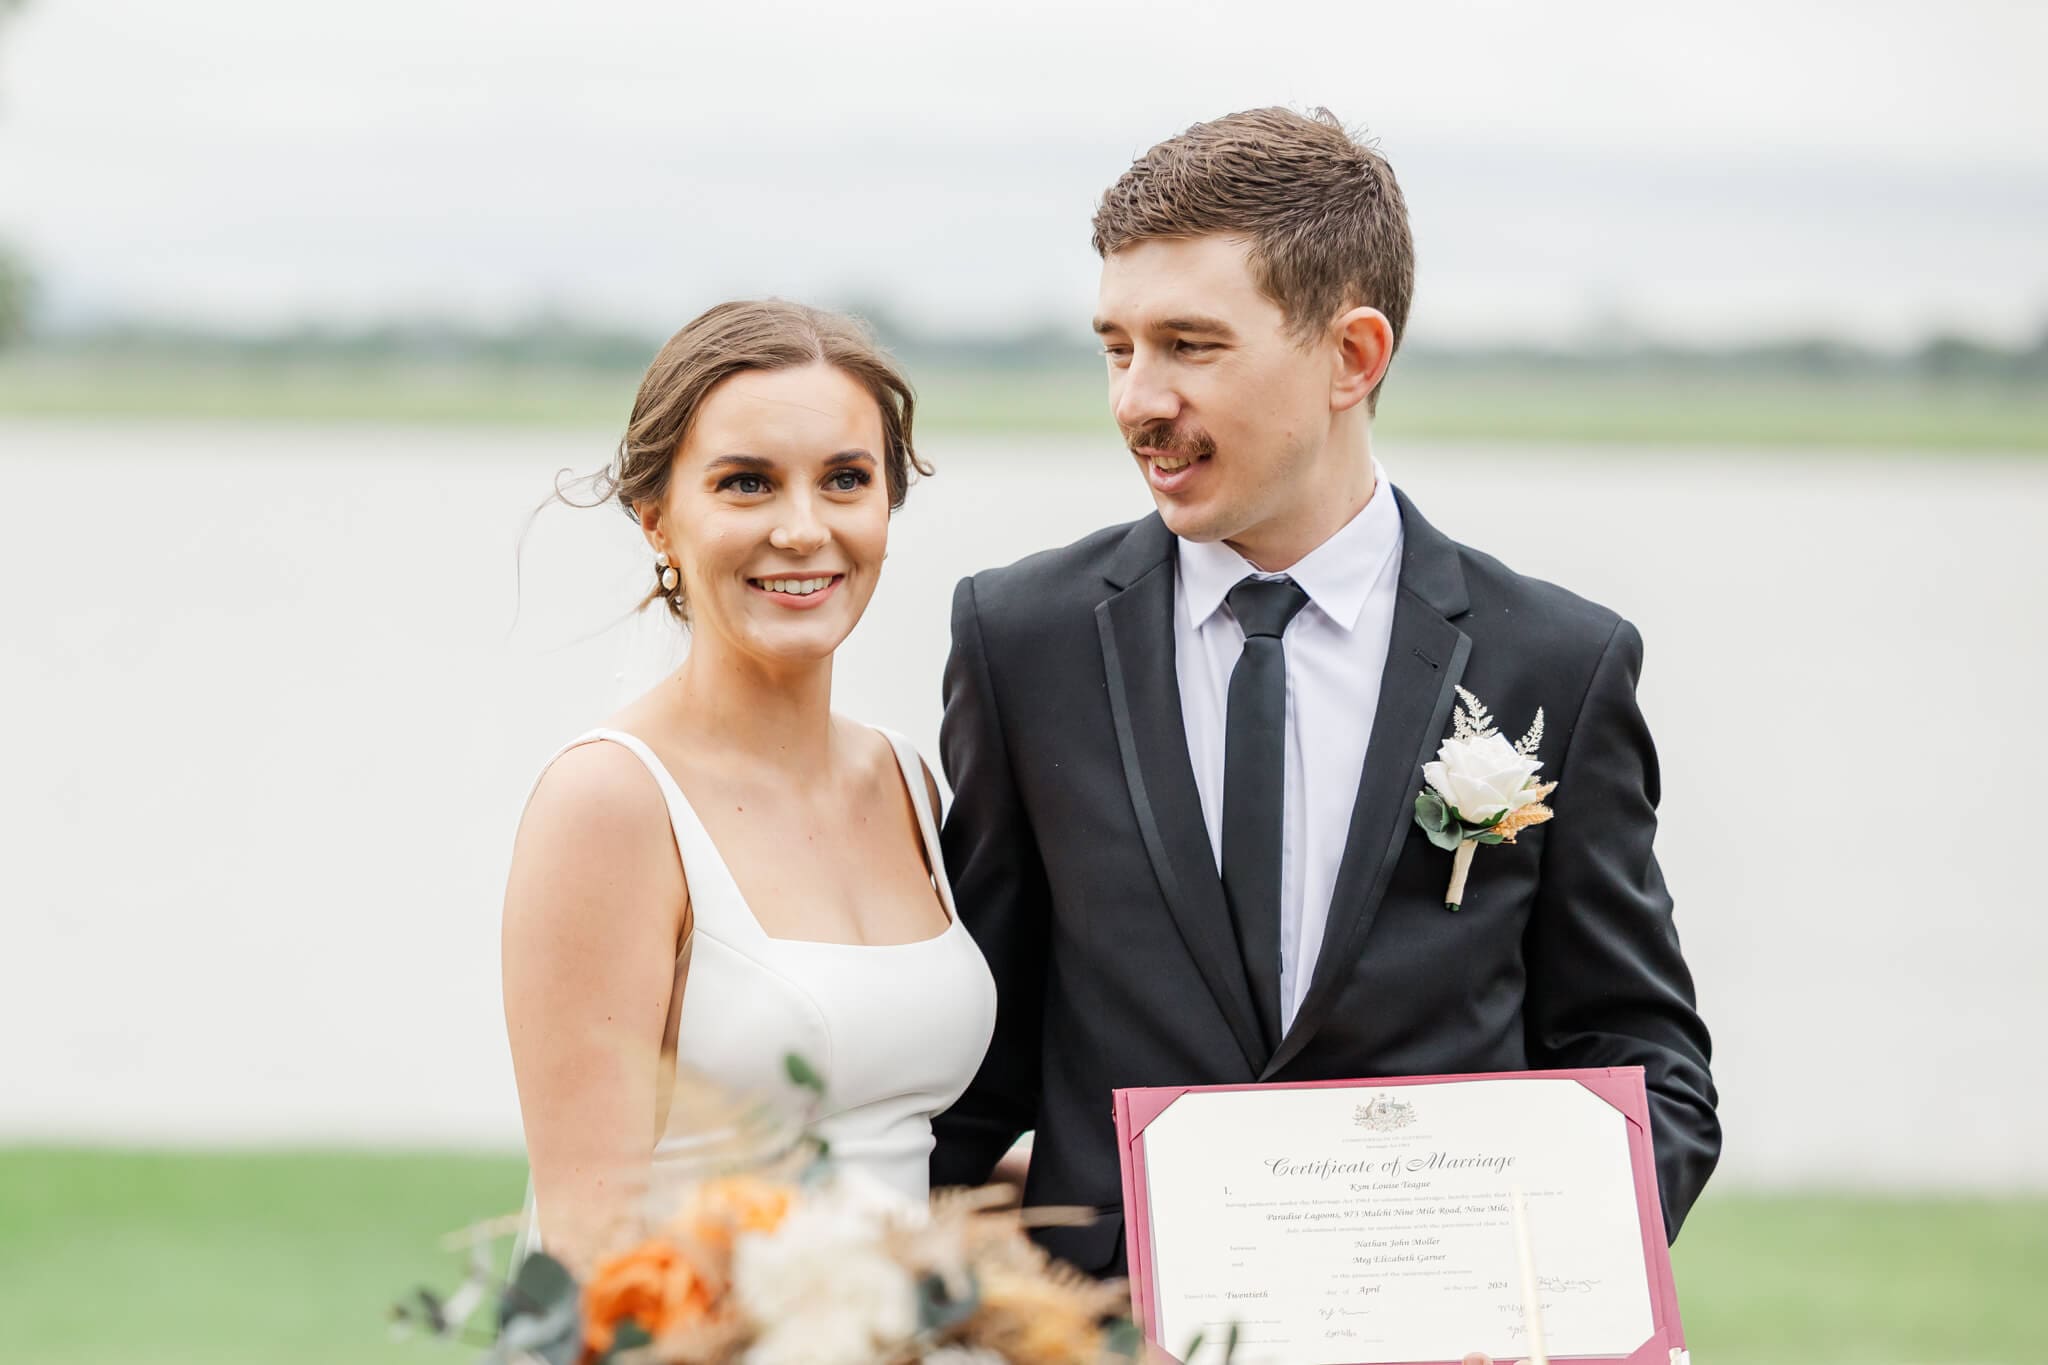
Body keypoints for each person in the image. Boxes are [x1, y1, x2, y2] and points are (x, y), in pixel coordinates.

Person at [931, 107, 1721, 1277]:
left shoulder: (1555, 660)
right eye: (1115, 346)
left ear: (1352, 356)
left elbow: (1644, 1064)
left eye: (1189, 346)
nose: (1135, 401)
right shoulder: (1022, 640)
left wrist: (1515, 1280)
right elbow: (969, 1070)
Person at [502, 300, 996, 1267]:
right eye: (747, 484)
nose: (804, 529)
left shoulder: (911, 782)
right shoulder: (610, 804)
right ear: (657, 518)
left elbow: (897, 1157)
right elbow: (589, 1249)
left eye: (846, 480)